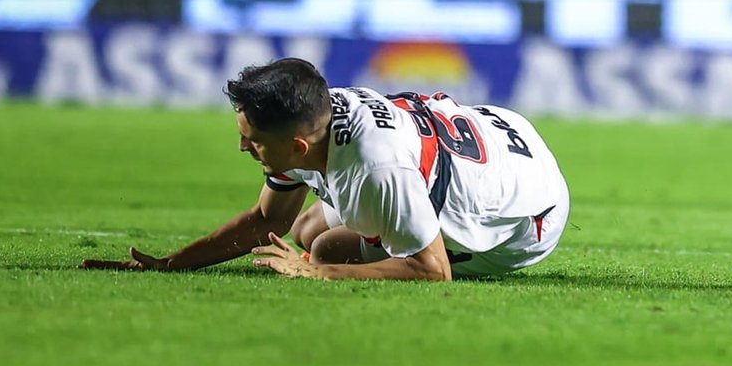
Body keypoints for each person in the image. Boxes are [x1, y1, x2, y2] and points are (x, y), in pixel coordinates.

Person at [82, 58, 569, 280]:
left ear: (297, 146)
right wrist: (171, 264)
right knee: (305, 226)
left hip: (527, 217)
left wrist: (318, 273)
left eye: (253, 140)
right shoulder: (316, 113)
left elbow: (432, 269)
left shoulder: (375, 171)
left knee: (325, 248)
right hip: (500, 136)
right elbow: (268, 220)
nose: (242, 146)